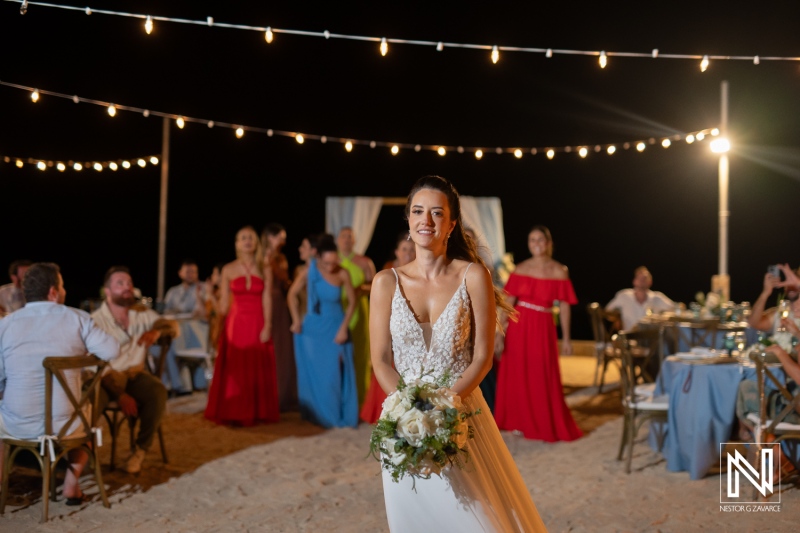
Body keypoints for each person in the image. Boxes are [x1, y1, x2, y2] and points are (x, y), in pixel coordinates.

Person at [370, 175, 546, 531]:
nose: (426, 221)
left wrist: (444, 407)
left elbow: (482, 357)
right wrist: (408, 409)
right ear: (408, 219)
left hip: (463, 414)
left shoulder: (473, 275)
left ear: (451, 224)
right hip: (405, 425)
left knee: (482, 521)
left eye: (437, 213)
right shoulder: (385, 282)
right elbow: (379, 359)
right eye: (418, 211)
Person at [0, 263, 119, 504]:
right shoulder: (77, 318)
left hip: (18, 426)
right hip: (66, 427)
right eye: (62, 286)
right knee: (86, 419)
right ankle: (71, 488)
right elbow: (112, 350)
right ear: (53, 292)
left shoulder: (6, 324)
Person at [494, 225, 582, 442]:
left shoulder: (559, 271)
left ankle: (543, 422)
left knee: (542, 372)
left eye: (540, 240)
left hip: (543, 326)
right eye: (532, 240)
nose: (536, 244)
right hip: (519, 325)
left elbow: (564, 307)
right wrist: (499, 333)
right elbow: (508, 303)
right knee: (517, 371)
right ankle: (517, 421)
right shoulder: (521, 269)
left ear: (549, 243)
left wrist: (568, 339)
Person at [92, 266, 176, 474]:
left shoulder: (142, 314)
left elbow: (172, 326)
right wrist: (120, 395)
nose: (127, 287)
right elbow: (94, 366)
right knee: (88, 404)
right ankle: (80, 459)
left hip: (134, 374)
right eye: (120, 283)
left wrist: (156, 332)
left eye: (129, 283)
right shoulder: (95, 320)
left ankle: (140, 450)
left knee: (157, 392)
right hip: (107, 378)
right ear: (108, 291)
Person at [205, 226, 280, 426]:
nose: (247, 241)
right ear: (237, 244)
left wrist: (268, 325)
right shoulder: (228, 269)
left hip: (257, 320)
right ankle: (234, 410)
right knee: (236, 365)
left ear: (256, 243)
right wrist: (214, 317)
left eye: (250, 238)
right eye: (242, 238)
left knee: (256, 363)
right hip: (235, 322)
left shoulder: (265, 268)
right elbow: (223, 304)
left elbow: (267, 298)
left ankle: (257, 411)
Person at [288, 236, 358, 428]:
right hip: (313, 329)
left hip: (336, 326)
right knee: (317, 375)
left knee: (333, 376)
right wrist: (295, 320)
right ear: (318, 258)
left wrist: (344, 328)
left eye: (334, 262)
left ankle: (334, 416)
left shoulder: (343, 273)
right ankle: (317, 415)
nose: (330, 267)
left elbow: (352, 303)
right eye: (326, 263)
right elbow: (292, 294)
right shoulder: (308, 272)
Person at [361, 233, 416, 423]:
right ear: (397, 252)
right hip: (390, 325)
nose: (408, 253)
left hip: (411, 330)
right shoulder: (387, 273)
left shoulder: (421, 274)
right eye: (404, 249)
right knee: (384, 363)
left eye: (411, 249)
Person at [337, 227, 376, 405]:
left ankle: (361, 401)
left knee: (360, 354)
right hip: (338, 309)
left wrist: (360, 289)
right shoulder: (331, 260)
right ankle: (339, 400)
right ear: (337, 239)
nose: (346, 239)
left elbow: (375, 286)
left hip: (360, 310)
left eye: (349, 237)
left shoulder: (364, 261)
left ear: (354, 241)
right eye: (343, 236)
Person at [262, 223, 297, 412]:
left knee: (280, 349)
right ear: (269, 237)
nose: (283, 241)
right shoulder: (259, 257)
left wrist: (271, 263)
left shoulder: (279, 258)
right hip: (259, 302)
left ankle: (280, 396)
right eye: (280, 237)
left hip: (277, 304)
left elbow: (284, 278)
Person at [162, 260, 209, 394]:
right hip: (178, 329)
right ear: (180, 273)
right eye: (187, 272)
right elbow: (167, 310)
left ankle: (178, 386)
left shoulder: (203, 288)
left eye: (194, 272)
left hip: (197, 332)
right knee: (165, 347)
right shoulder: (173, 292)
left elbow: (204, 312)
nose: (191, 275)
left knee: (169, 347)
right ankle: (177, 385)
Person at [605, 266, 676, 330]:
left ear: (650, 282)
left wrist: (663, 318)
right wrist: (617, 319)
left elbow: (676, 309)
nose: (642, 279)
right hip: (628, 338)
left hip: (650, 339)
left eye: (645, 277)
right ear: (634, 281)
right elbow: (608, 311)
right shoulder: (624, 295)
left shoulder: (657, 298)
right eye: (639, 277)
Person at [748, 264, 800, 335]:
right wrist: (765, 293)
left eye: (793, 283)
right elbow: (753, 323)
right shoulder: (778, 314)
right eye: (787, 283)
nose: (791, 286)